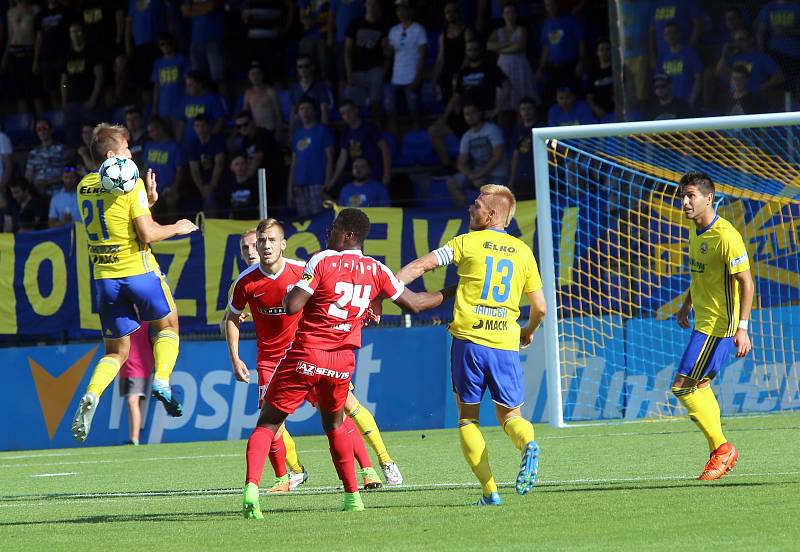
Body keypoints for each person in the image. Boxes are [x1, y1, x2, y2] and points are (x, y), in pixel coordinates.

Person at [241, 208, 450, 518]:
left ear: (349, 234)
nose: (329, 232)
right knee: (336, 426)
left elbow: (292, 305)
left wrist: (300, 293)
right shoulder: (376, 269)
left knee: (267, 424)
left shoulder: (322, 260)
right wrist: (456, 291)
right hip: (341, 363)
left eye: (335, 228)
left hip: (307, 354)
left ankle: (251, 490)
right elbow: (416, 304)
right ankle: (353, 496)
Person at [397, 184, 547, 506]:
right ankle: (527, 444)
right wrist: (528, 331)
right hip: (505, 342)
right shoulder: (523, 252)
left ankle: (490, 491)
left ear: (491, 214)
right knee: (511, 418)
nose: (470, 208)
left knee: (468, 419)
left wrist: (390, 286)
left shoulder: (465, 243)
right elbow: (541, 308)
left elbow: (422, 265)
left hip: (469, 343)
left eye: (476, 205)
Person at [71, 122, 198, 443]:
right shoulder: (131, 183)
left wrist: (149, 200)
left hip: (104, 280)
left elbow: (116, 218)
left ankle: (92, 393)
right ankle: (163, 380)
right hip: (139, 273)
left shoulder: (84, 185)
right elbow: (147, 233)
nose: (132, 154)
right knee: (168, 327)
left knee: (115, 352)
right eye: (127, 149)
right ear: (112, 154)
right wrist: (177, 226)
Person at [674, 171, 753, 480]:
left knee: (683, 386)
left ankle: (722, 449)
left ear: (709, 198)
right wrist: (686, 305)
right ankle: (720, 451)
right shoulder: (695, 231)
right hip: (702, 321)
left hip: (719, 325)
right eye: (682, 195)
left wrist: (742, 328)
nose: (685, 201)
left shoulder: (726, 236)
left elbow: (746, 283)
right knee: (699, 384)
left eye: (690, 195)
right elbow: (700, 275)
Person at [447, 102, 508, 209]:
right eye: (466, 114)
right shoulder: (467, 136)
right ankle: (464, 215)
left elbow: (497, 156)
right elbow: (461, 162)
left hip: (497, 175)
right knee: (452, 182)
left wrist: (479, 174)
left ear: (479, 113)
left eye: (472, 113)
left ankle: (490, 219)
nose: (470, 116)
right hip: (478, 175)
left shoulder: (492, 129)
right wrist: (471, 175)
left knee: (485, 188)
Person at [119, 322, 153, 445]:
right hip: (125, 368)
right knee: (133, 403)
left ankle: (134, 438)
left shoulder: (147, 323)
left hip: (139, 368)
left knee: (132, 401)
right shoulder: (121, 321)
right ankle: (133, 437)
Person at [48, 163, 82, 227]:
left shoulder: (84, 195)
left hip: (83, 234)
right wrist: (63, 222)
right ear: (62, 178)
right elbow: (51, 226)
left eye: (72, 177)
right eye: (66, 177)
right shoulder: (55, 199)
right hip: (64, 235)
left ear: (76, 178)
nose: (69, 180)